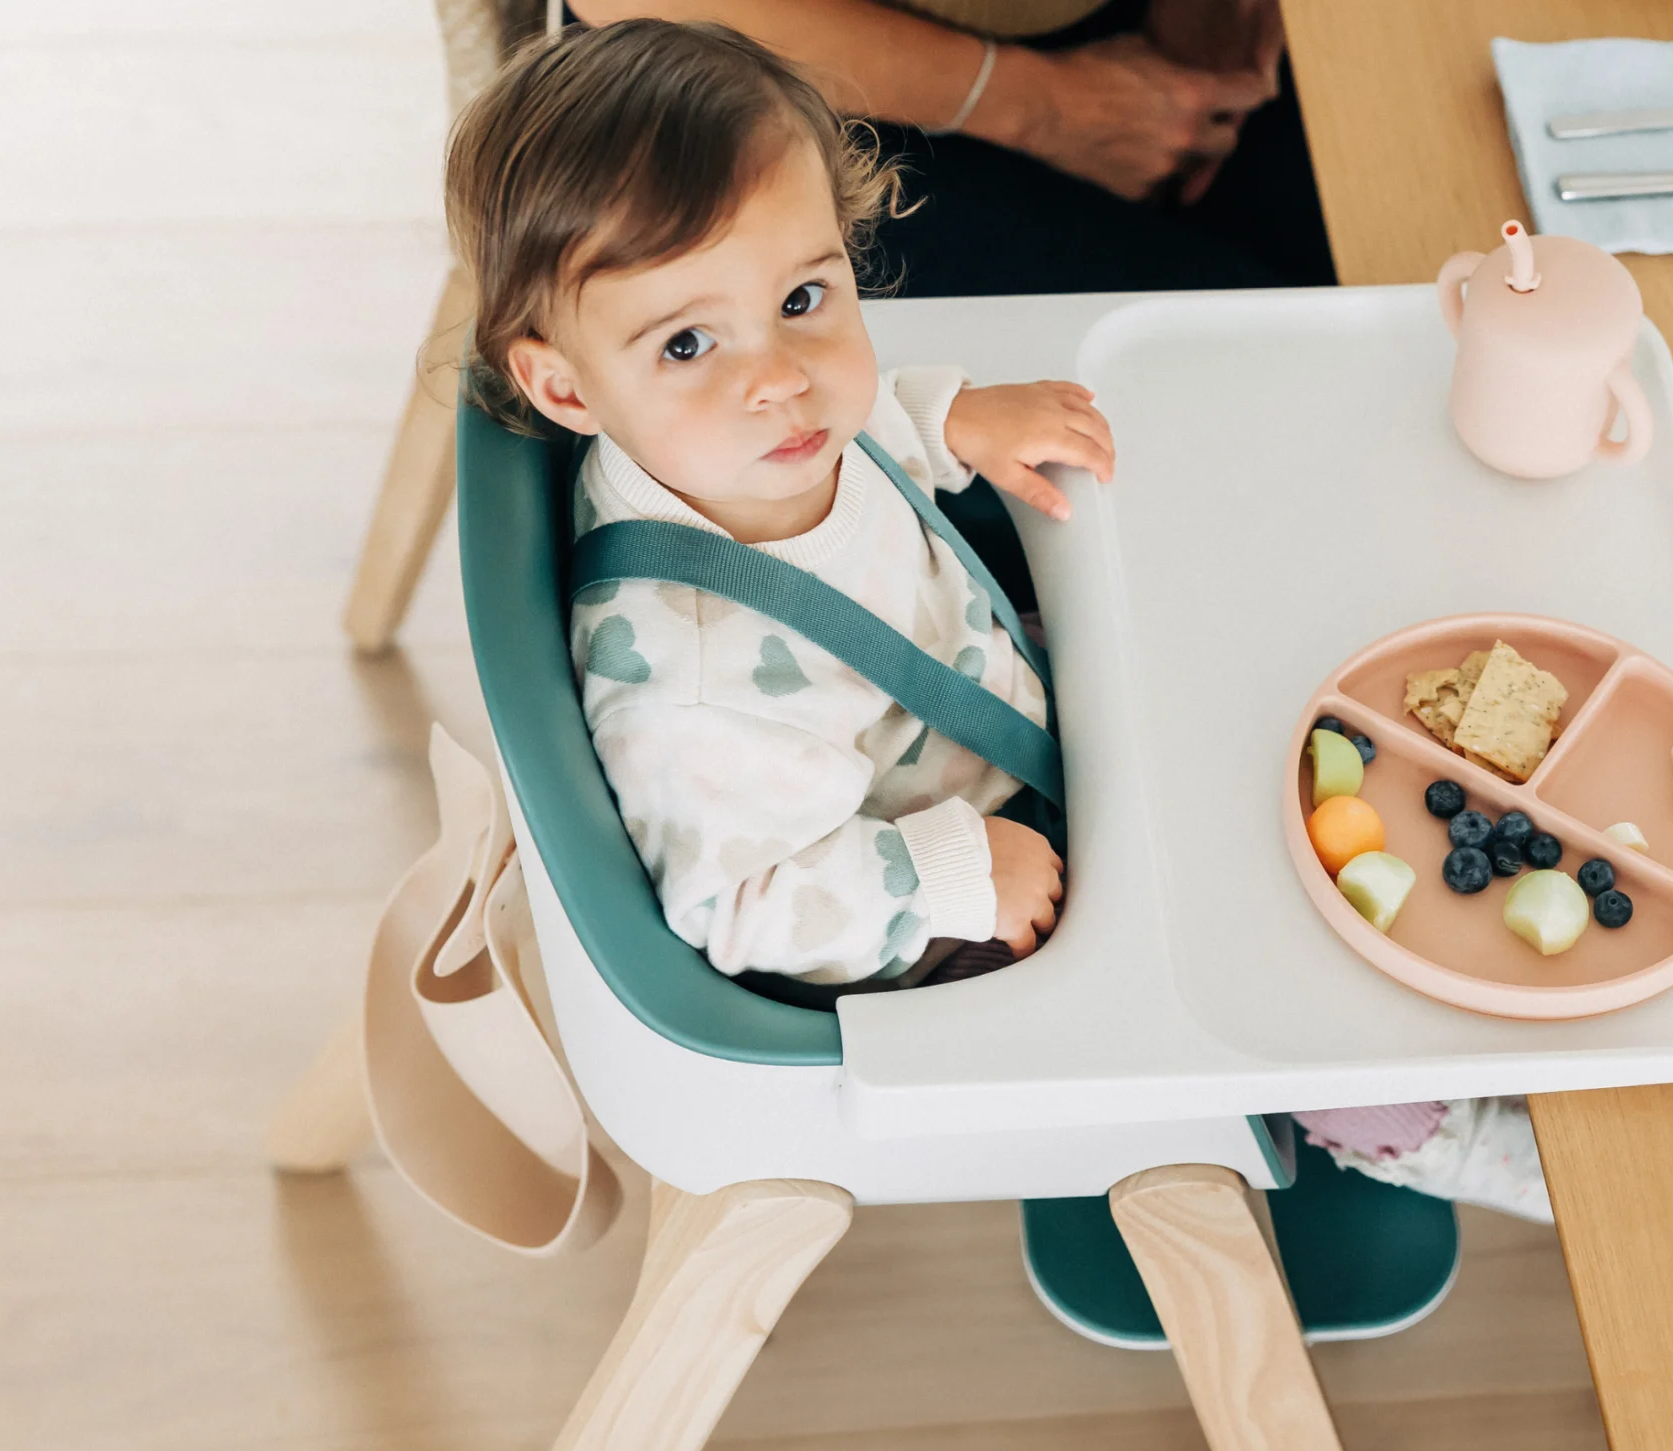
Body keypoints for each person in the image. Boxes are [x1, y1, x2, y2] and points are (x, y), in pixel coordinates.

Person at [445, 20, 1548, 1220]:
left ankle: (1437, 987)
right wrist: (952, 877)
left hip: (988, 719)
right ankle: (1441, 1136)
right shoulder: (693, 690)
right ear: (563, 385)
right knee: (1259, 993)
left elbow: (851, 454)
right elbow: (744, 907)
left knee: (1268, 706)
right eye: (690, 340)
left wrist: (951, 419)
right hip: (957, 923)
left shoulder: (730, 444)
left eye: (807, 295)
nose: (781, 376)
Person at [561, 0, 1334, 294]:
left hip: (1099, 27)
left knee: (1398, 274)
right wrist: (1046, 106)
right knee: (1260, 356)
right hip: (764, 59)